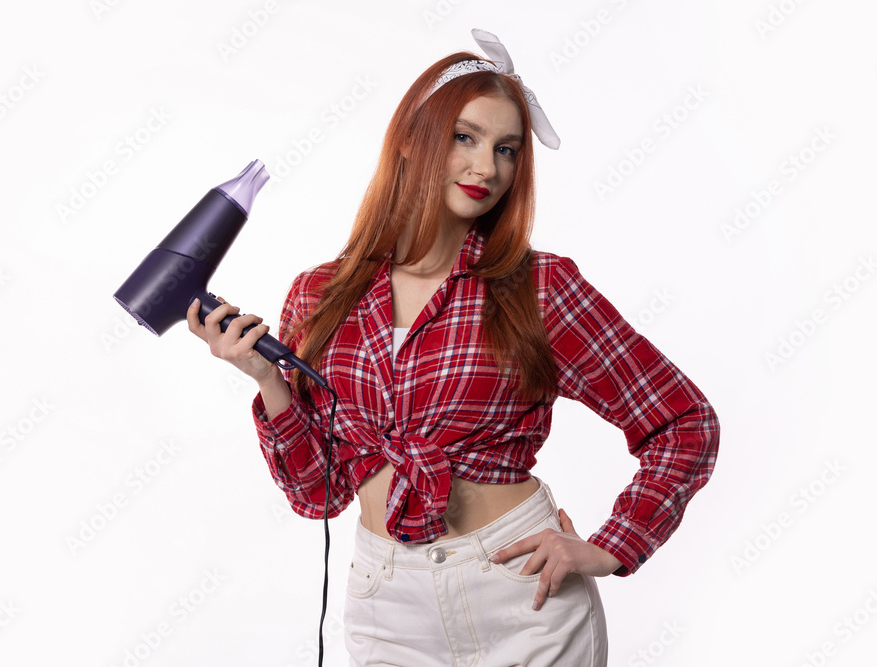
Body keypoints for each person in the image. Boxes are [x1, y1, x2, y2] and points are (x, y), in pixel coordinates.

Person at [188, 29, 719, 667]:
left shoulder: (540, 289)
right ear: (413, 140)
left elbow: (684, 422)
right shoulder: (321, 295)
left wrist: (612, 544)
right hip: (386, 603)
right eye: (464, 137)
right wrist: (266, 381)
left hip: (522, 596)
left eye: (507, 150)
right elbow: (318, 494)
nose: (486, 168)